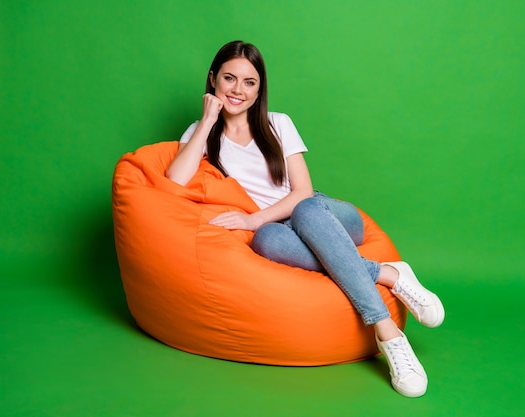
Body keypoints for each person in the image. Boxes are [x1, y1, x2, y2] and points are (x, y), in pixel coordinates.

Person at [166, 40, 445, 397]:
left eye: (249, 82)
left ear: (260, 88)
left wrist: (252, 220)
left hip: (326, 216)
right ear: (213, 81)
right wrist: (208, 120)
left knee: (303, 209)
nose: (238, 90)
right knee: (266, 240)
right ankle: (388, 273)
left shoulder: (278, 124)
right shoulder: (203, 132)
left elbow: (302, 192)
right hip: (282, 234)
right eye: (229, 79)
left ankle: (387, 331)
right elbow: (175, 180)